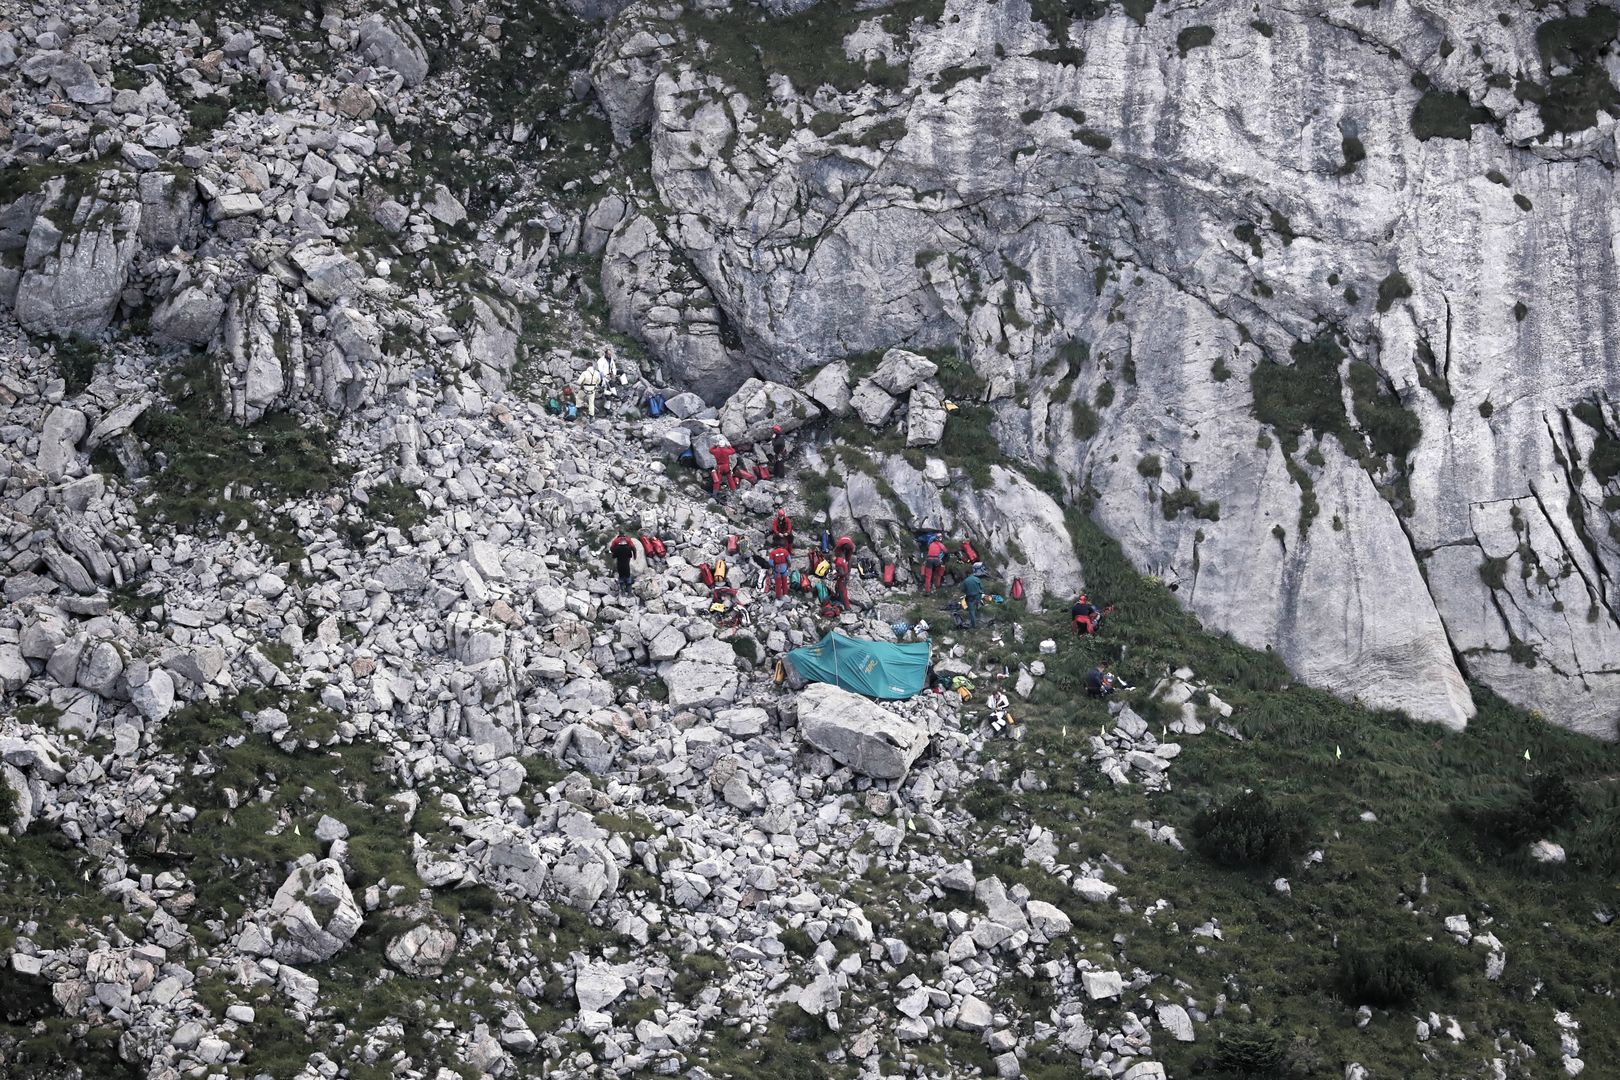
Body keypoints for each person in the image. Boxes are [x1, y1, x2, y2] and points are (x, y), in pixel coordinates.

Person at [961, 562, 985, 628]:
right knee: (977, 602)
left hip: (970, 598)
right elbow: (982, 587)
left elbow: (962, 590)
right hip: (978, 597)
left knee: (971, 612)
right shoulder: (977, 579)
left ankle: (974, 626)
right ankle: (978, 607)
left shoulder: (965, 581)